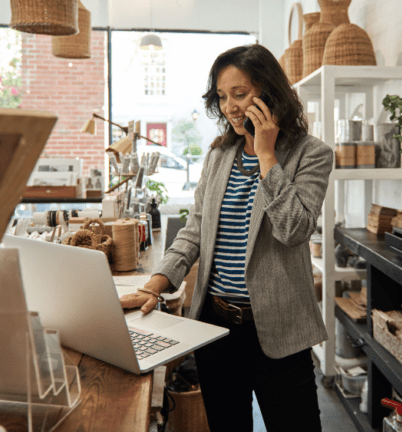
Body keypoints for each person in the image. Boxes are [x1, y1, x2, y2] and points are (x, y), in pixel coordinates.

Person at [120, 44, 332, 431]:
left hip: (281, 332)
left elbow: (294, 229)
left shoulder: (311, 154)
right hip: (216, 329)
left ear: (269, 93)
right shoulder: (219, 156)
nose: (230, 107)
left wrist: (267, 156)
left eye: (240, 94)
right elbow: (194, 231)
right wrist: (156, 283)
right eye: (222, 96)